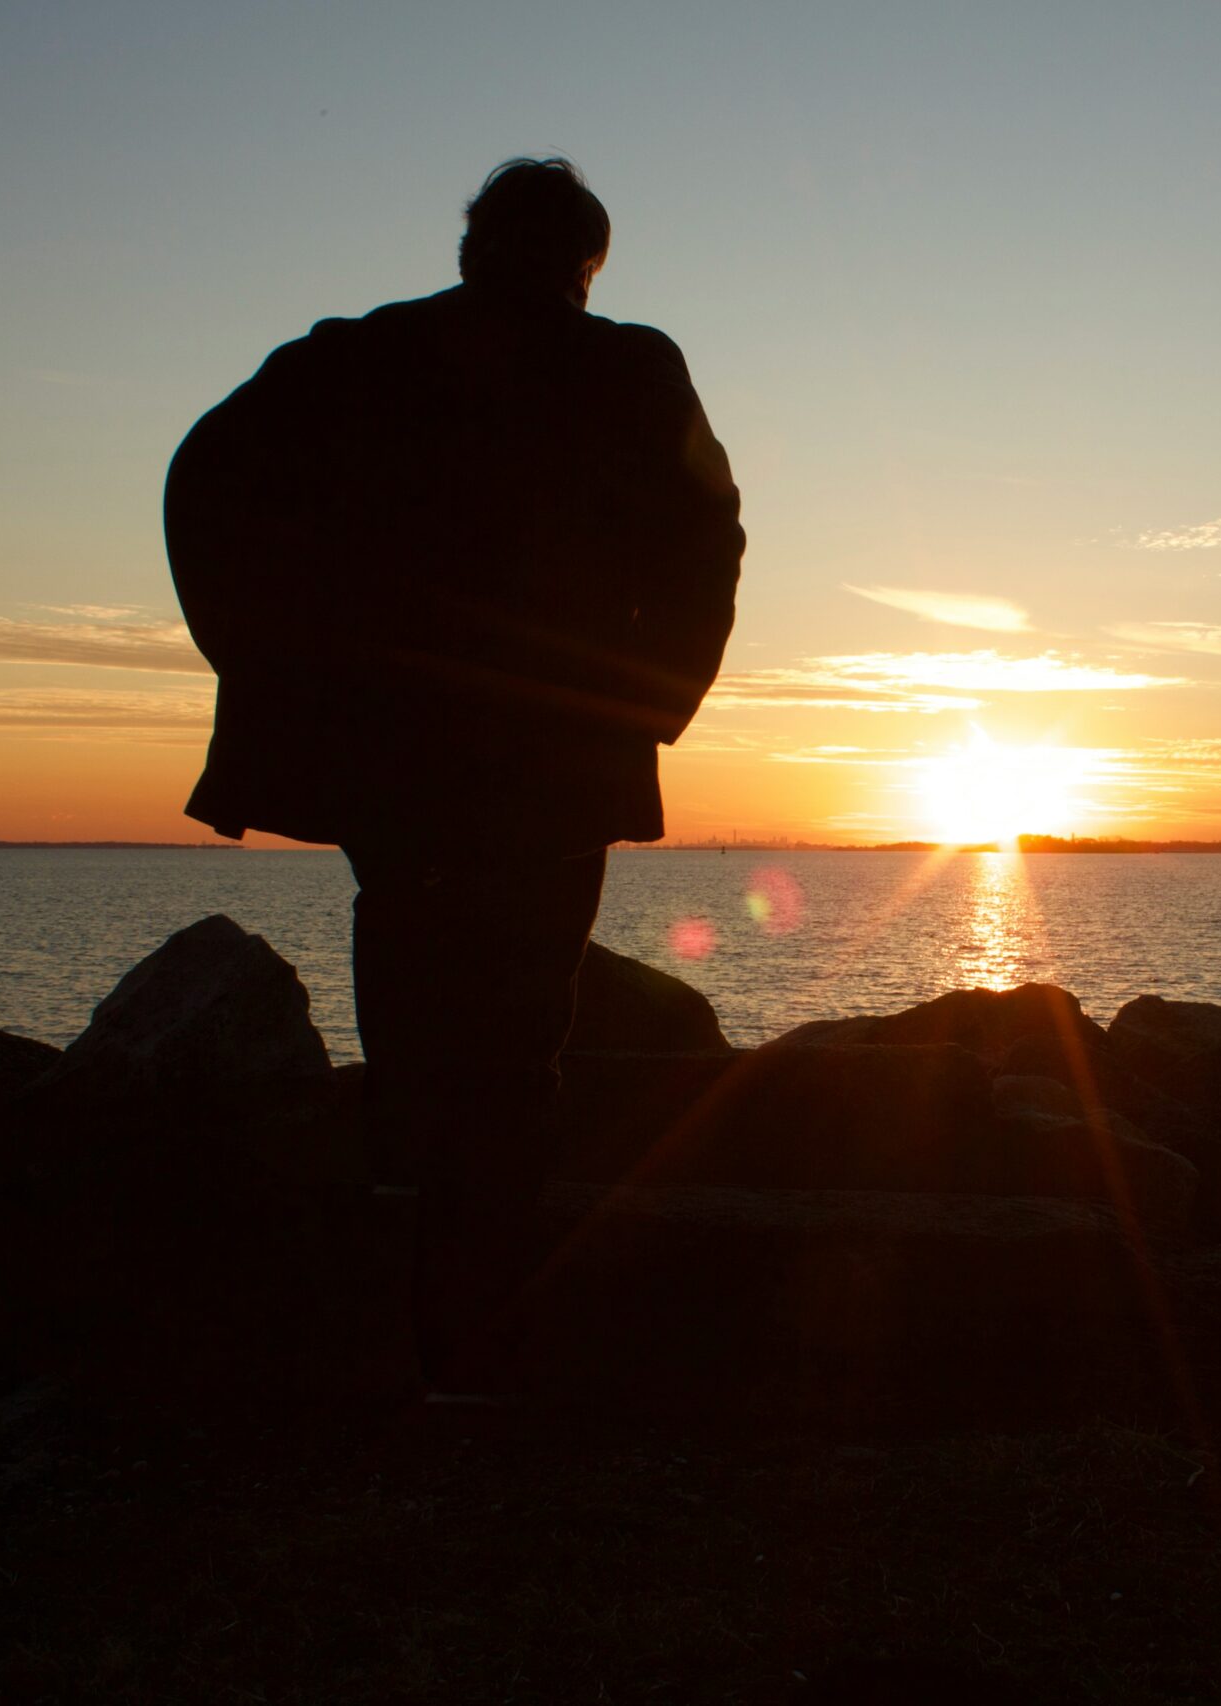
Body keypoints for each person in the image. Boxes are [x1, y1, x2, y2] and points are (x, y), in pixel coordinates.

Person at [163, 158, 742, 1390]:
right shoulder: (625, 366)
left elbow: (207, 473)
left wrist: (267, 656)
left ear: (477, 245)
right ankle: (474, 1317)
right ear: (583, 264)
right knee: (514, 1028)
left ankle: (424, 1299)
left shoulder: (364, 355)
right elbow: (709, 540)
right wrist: (651, 696)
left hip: (409, 753)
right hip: (541, 751)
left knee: (421, 1003)